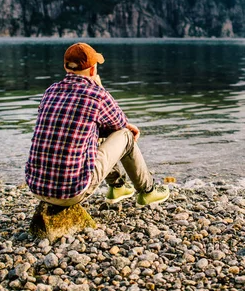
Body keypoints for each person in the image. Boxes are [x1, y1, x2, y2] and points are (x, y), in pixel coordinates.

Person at [25, 42, 169, 208]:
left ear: (66, 68)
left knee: (96, 133)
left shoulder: (50, 91)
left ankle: (118, 188)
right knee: (126, 136)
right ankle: (148, 191)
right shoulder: (97, 95)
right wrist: (99, 86)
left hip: (37, 188)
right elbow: (120, 123)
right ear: (93, 70)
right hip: (72, 193)